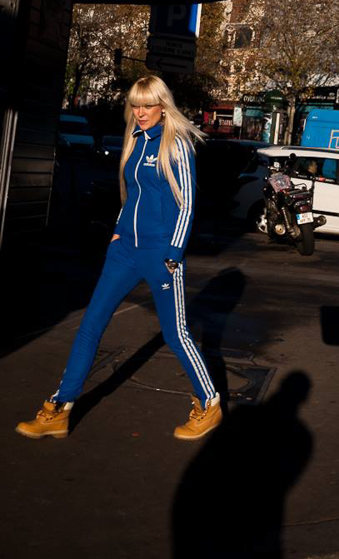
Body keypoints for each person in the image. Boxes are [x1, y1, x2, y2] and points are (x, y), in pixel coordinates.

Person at [16, 75, 223, 440]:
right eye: (135, 105)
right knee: (90, 324)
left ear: (163, 106)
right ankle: (59, 409)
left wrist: (174, 253)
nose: (140, 113)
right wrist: (118, 228)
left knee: (176, 334)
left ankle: (209, 403)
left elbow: (187, 203)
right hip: (124, 249)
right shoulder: (136, 140)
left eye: (147, 106)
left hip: (161, 253)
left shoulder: (177, 145)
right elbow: (132, 193)